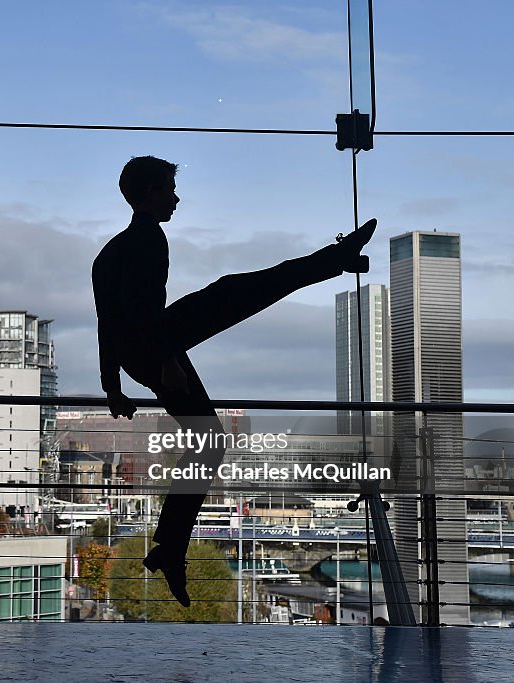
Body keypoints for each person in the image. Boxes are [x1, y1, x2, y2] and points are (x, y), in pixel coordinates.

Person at [92, 156, 375, 606]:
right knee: (240, 292)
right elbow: (140, 310)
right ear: (148, 192)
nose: (176, 197)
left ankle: (170, 548)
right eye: (168, 188)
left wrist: (113, 387)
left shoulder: (110, 251)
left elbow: (107, 323)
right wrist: (165, 362)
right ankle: (334, 259)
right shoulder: (148, 239)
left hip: (143, 352)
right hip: (155, 347)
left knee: (209, 433)